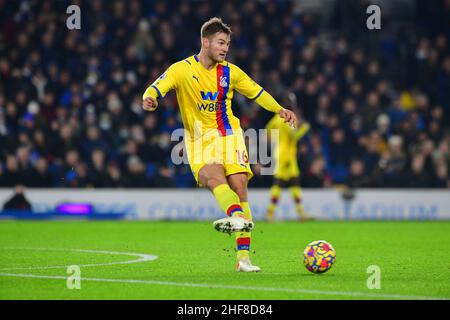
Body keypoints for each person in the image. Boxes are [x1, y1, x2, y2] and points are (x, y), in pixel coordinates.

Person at [142, 17, 296, 272]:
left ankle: (243, 259)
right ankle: (237, 217)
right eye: (221, 43)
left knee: (239, 186)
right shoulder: (181, 69)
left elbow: (257, 92)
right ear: (206, 41)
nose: (225, 48)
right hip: (198, 140)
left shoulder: (231, 72)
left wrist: (280, 109)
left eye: (228, 44)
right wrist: (150, 99)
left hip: (229, 136)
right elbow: (155, 88)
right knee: (215, 178)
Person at [265, 106, 312, 222]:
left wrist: (276, 138)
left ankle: (301, 214)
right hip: (286, 155)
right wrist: (304, 128)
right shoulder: (287, 119)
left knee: (294, 182)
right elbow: (294, 136)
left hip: (282, 153)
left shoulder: (276, 118)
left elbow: (268, 129)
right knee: (279, 183)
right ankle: (269, 214)